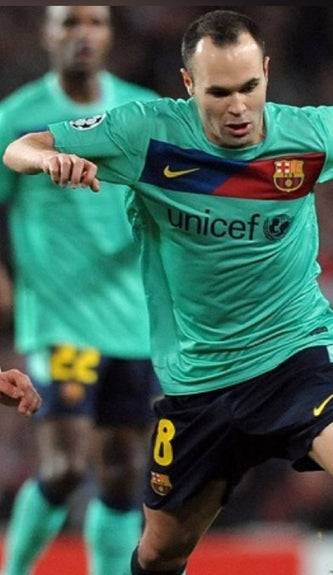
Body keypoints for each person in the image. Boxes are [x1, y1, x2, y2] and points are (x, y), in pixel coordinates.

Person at [3, 9, 333, 575]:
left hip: (297, 359)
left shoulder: (308, 134)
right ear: (188, 83)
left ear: (266, 71)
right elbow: (20, 146)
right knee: (160, 552)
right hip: (200, 384)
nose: (239, 107)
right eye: (219, 93)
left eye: (249, 87)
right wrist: (49, 159)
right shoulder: (146, 132)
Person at [0, 6, 162, 575]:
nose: (83, 34)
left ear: (110, 33)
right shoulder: (16, 117)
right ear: (47, 34)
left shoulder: (142, 110)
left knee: (123, 475)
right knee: (65, 467)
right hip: (59, 317)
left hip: (133, 320)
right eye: (69, 22)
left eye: (94, 22)